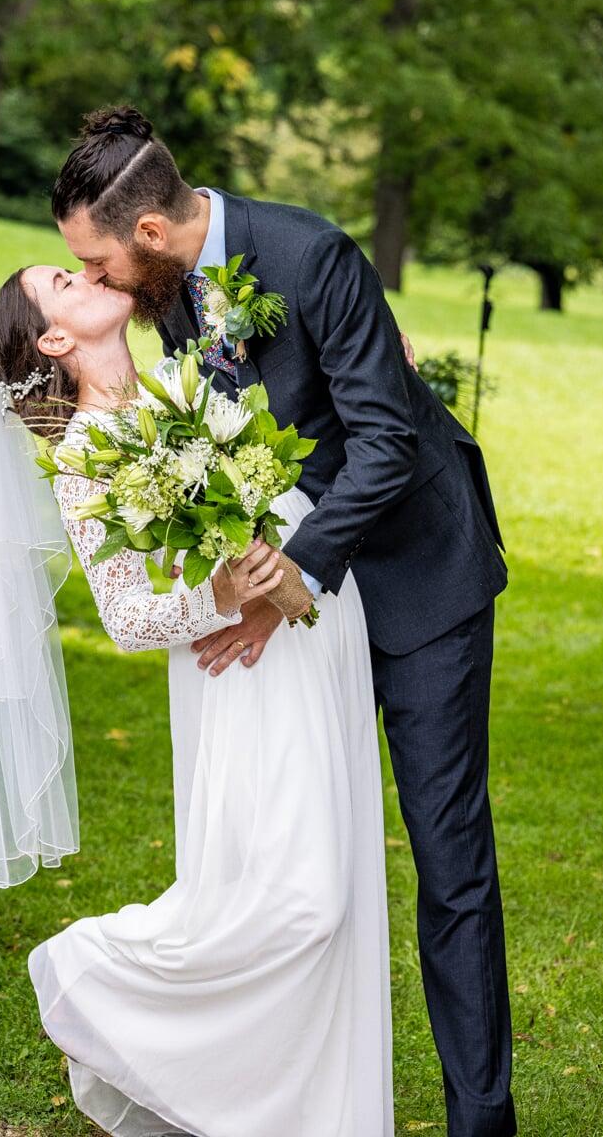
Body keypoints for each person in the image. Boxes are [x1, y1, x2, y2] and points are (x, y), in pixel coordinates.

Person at [47, 106, 515, 1137]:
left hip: (420, 580)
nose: (97, 281)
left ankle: (483, 1121)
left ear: (154, 235)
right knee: (310, 870)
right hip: (303, 608)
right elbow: (198, 439)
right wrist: (256, 586)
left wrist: (293, 573)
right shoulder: (165, 294)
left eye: (98, 262)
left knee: (450, 862)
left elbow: (386, 441)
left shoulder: (313, 255)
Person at [0, 267, 394, 1137]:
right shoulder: (82, 458)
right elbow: (126, 616)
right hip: (240, 671)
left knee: (336, 891)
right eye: (62, 281)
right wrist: (228, 594)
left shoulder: (179, 375)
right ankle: (92, 974)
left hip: (314, 629)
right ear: (53, 342)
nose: (87, 273)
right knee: (299, 900)